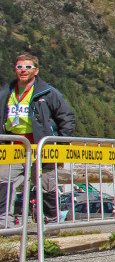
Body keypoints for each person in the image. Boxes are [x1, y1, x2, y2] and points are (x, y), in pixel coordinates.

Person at [3, 53, 75, 225]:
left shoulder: (48, 93)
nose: (23, 70)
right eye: (20, 67)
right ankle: (4, 222)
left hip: (41, 145)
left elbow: (66, 117)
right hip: (13, 145)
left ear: (36, 71)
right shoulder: (6, 92)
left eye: (28, 67)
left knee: (46, 184)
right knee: (4, 180)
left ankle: (51, 221)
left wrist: (62, 144)